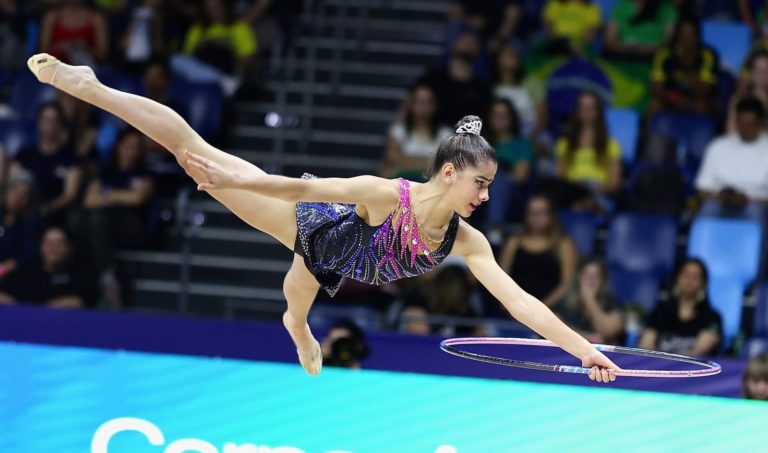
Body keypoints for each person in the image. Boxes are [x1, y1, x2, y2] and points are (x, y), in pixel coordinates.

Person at [27, 52, 621, 383]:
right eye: (481, 184)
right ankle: (92, 87)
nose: (486, 198)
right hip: (307, 221)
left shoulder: (467, 241)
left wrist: (584, 351)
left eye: (489, 188)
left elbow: (521, 303)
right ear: (449, 173)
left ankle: (299, 331)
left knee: (298, 303)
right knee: (193, 150)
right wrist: (235, 179)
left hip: (334, 265)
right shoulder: (387, 193)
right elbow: (297, 184)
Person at [695, 97, 768, 226]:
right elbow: (702, 188)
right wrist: (721, 196)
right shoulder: (718, 146)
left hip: (754, 206)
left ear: (760, 123)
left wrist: (748, 199)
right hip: (720, 203)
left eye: (750, 124)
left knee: (756, 213)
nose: (745, 129)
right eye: (741, 123)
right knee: (708, 209)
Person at [498, 194, 578, 309]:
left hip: (551, 311)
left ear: (551, 215)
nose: (536, 218)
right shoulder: (514, 242)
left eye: (541, 213)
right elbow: (501, 278)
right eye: (531, 213)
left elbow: (566, 284)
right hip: (514, 308)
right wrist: (509, 305)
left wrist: (540, 309)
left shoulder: (563, 244)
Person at [11, 102, 83, 225]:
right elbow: (12, 183)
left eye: (54, 120)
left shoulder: (71, 158)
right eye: (46, 119)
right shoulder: (25, 154)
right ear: (38, 123)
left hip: (55, 212)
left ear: (61, 125)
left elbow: (70, 195)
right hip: (23, 207)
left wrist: (47, 207)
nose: (49, 124)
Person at [553, 91, 623, 213]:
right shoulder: (564, 144)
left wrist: (591, 190)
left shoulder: (612, 145)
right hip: (572, 189)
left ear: (598, 111)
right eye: (583, 107)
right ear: (577, 111)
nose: (587, 111)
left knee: (585, 205)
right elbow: (559, 178)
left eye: (591, 107)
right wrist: (575, 188)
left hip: (598, 191)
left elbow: (614, 183)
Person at [638, 258, 722, 356]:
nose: (689, 281)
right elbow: (645, 345)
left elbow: (701, 349)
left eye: (695, 277)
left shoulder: (712, 317)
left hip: (692, 369)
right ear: (677, 278)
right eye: (686, 275)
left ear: (704, 283)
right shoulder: (660, 311)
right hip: (658, 367)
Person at [0, 226, 95, 308]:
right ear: (41, 246)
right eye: (49, 243)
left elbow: (80, 301)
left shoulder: (79, 273)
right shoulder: (25, 270)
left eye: (59, 244)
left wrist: (47, 309)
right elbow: (2, 294)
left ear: (69, 248)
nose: (53, 248)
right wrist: (18, 309)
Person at [379, 84, 452, 181]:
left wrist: (408, 162)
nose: (424, 107)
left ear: (435, 105)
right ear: (411, 104)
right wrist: (428, 163)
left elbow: (446, 165)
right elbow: (392, 160)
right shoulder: (398, 131)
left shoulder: (446, 134)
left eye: (428, 102)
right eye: (419, 102)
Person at [484, 98, 534, 235]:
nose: (500, 120)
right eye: (496, 115)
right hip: (480, 191)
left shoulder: (522, 144)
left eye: (504, 116)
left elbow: (520, 177)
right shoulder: (479, 144)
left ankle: (495, 227)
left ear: (512, 118)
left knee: (499, 180)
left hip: (512, 194)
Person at [555, 257, 624, 345]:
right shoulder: (565, 303)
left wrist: (590, 301)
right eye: (586, 275)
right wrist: (588, 337)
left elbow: (608, 333)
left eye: (596, 276)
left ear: (602, 281)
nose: (591, 280)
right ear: (578, 278)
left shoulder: (612, 304)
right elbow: (554, 328)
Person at [39, 0, 109, 66]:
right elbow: (43, 51)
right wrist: (59, 48)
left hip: (85, 68)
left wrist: (85, 48)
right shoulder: (51, 17)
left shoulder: (96, 18)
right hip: (55, 67)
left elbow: (102, 54)